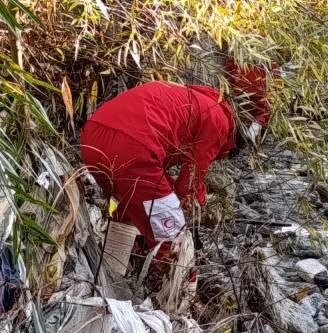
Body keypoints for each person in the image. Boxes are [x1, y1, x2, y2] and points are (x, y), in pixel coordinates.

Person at [80, 63, 271, 260]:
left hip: (92, 139)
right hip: (134, 147)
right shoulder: (220, 121)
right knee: (174, 238)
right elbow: (188, 186)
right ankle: (171, 285)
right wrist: (200, 204)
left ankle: (113, 268)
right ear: (234, 140)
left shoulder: (195, 99)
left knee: (131, 208)